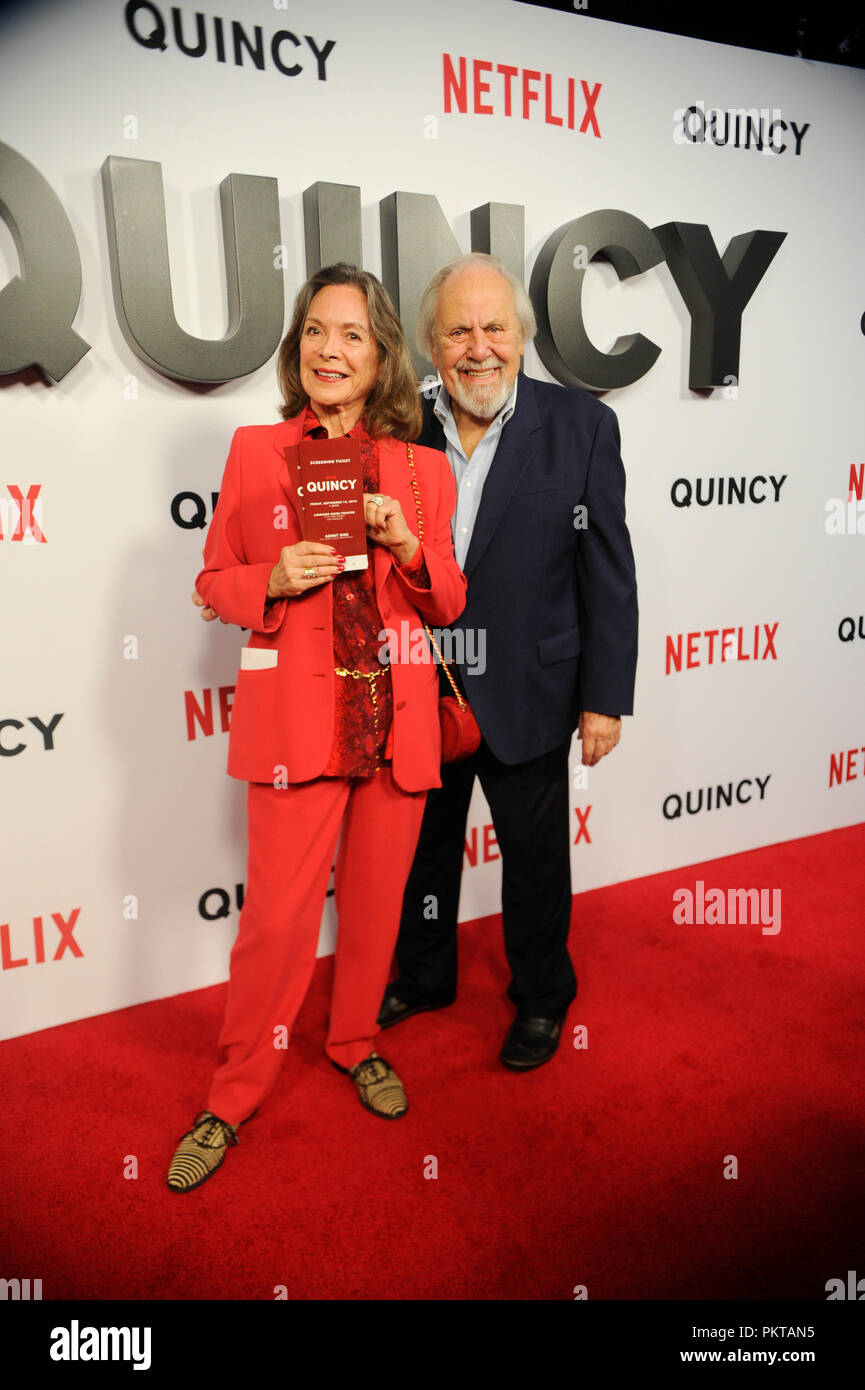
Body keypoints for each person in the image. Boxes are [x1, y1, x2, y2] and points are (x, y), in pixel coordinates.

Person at [168, 263, 466, 1193]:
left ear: (381, 358)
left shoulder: (421, 470)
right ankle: (231, 1095)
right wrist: (274, 578)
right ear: (299, 350)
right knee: (276, 924)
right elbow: (213, 580)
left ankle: (353, 1041)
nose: (329, 351)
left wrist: (409, 545)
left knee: (376, 910)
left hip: (395, 721)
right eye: (315, 333)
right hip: (300, 722)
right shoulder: (256, 450)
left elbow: (449, 601)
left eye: (351, 336)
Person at [376, 252, 638, 1071]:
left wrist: (604, 699)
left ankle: (540, 997)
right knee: (422, 852)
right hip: (422, 687)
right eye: (457, 330)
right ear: (429, 342)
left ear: (522, 337)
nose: (476, 347)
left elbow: (609, 571)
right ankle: (422, 978)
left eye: (494, 327)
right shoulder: (395, 428)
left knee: (532, 864)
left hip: (532, 687)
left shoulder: (581, 426)